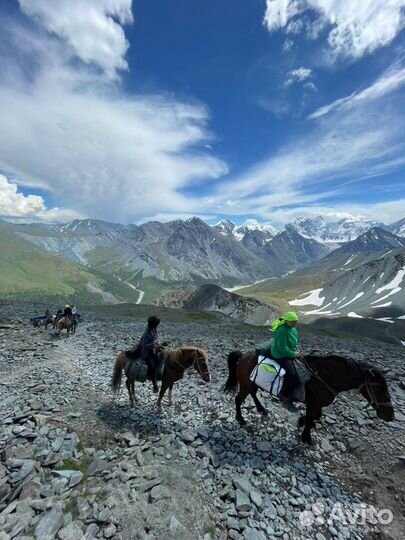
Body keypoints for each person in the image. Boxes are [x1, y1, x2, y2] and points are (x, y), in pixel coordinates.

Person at [270, 311, 300, 413]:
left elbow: (294, 341)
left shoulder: (292, 329)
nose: (295, 324)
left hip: (290, 352)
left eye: (296, 321)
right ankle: (285, 396)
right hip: (279, 354)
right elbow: (282, 347)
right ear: (287, 321)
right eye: (292, 322)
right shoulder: (282, 330)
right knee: (292, 374)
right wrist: (293, 354)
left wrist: (295, 350)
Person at [137, 315, 161, 393]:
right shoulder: (146, 334)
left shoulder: (154, 330)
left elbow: (155, 338)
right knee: (152, 366)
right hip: (146, 352)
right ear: (153, 324)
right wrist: (153, 344)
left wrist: (158, 343)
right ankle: (154, 385)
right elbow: (144, 345)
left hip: (153, 349)